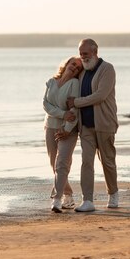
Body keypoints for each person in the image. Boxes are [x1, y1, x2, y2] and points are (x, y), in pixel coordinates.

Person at [66, 39, 119, 212]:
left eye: (85, 54)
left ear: (95, 52)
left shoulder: (107, 69)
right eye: (81, 54)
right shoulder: (82, 72)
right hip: (86, 126)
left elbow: (100, 95)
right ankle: (87, 200)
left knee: (107, 161)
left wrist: (77, 102)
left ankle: (113, 194)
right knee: (86, 162)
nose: (83, 57)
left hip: (105, 123)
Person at [43, 56, 83, 213]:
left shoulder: (75, 84)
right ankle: (68, 195)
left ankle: (56, 199)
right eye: (73, 64)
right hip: (50, 127)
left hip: (68, 130)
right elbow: (45, 104)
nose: (74, 67)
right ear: (66, 64)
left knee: (62, 164)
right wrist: (62, 113)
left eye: (78, 68)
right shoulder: (51, 81)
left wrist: (67, 128)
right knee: (54, 163)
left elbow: (74, 111)